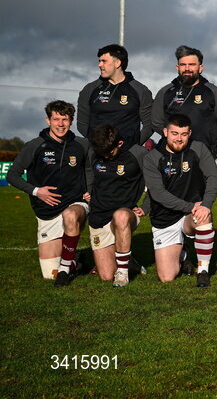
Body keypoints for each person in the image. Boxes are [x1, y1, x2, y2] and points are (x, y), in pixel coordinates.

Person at [7, 101, 89, 284]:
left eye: (65, 119)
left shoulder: (82, 145)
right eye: (56, 119)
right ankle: (75, 259)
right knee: (49, 273)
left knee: (70, 215)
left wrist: (89, 190)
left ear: (71, 121)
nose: (60, 124)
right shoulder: (35, 146)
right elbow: (12, 175)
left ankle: (66, 267)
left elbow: (92, 170)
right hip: (46, 212)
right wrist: (36, 191)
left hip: (75, 204)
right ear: (48, 120)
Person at [143, 114, 217, 287]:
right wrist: (191, 205)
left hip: (190, 215)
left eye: (184, 134)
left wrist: (205, 205)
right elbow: (158, 194)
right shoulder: (152, 158)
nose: (179, 138)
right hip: (165, 217)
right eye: (174, 133)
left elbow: (214, 177)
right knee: (167, 277)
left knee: (204, 216)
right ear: (165, 132)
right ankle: (183, 255)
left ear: (190, 133)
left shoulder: (199, 149)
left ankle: (203, 270)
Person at [85, 124, 148, 287]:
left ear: (119, 143)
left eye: (109, 152)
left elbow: (155, 181)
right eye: (102, 153)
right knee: (106, 276)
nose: (105, 156)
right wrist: (86, 192)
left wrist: (146, 206)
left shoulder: (138, 154)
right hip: (99, 216)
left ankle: (123, 273)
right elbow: (88, 174)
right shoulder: (94, 152)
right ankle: (128, 260)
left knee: (120, 215)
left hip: (125, 214)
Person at [152, 45, 217, 152]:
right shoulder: (165, 92)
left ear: (200, 68)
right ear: (177, 68)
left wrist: (209, 139)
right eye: (183, 65)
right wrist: (173, 139)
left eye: (191, 64)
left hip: (203, 154)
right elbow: (156, 122)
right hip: (173, 154)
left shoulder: (214, 92)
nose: (187, 69)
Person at [77, 44, 153, 148]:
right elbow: (82, 124)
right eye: (99, 61)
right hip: (97, 155)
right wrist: (97, 145)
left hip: (127, 157)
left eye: (104, 61)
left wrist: (134, 147)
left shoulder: (140, 90)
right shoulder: (90, 89)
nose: (99, 65)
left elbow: (149, 125)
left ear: (117, 63)